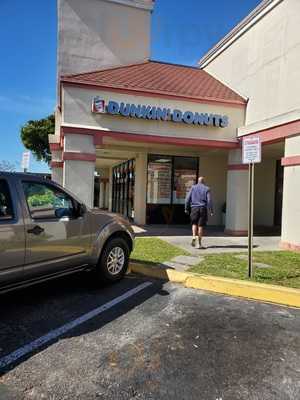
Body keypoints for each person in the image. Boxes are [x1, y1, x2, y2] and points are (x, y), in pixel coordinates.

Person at [185, 176, 214, 249]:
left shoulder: (193, 187)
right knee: (200, 226)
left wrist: (186, 208)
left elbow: (187, 199)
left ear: (198, 181)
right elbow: (209, 200)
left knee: (194, 223)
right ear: (204, 182)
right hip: (203, 208)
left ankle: (194, 237)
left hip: (194, 208)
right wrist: (211, 210)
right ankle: (199, 244)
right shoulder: (207, 188)